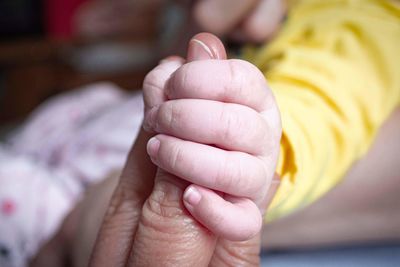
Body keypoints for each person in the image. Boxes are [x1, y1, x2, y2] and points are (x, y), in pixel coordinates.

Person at [2, 0, 398, 266]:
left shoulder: (368, 26)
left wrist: (249, 149)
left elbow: (322, 110)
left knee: (32, 205)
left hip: (136, 149)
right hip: (110, 117)